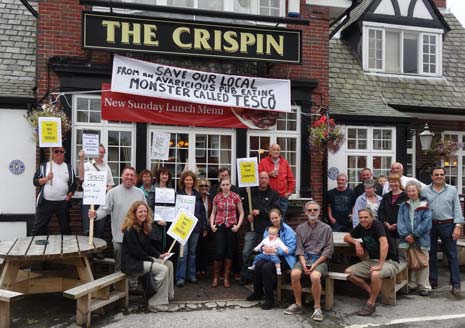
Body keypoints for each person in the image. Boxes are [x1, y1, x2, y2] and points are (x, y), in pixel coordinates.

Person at [88, 167, 146, 272]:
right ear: (122, 176)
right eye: (127, 174)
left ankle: (132, 286)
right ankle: (118, 287)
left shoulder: (140, 193)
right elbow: (104, 210)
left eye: (132, 175)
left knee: (136, 263)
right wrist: (95, 214)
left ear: (135, 178)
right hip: (119, 237)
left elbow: (146, 212)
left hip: (136, 236)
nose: (129, 177)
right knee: (119, 264)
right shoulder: (112, 193)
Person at [283, 201, 333, 322]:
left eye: (315, 210)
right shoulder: (300, 228)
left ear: (319, 212)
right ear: (305, 212)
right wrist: (304, 263)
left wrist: (314, 264)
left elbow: (328, 250)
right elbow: (299, 248)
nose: (312, 212)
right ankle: (298, 304)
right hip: (304, 258)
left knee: (315, 276)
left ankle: (317, 307)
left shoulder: (326, 228)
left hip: (320, 259)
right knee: (294, 273)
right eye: (310, 210)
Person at [344, 208, 400, 316]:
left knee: (375, 274)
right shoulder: (361, 226)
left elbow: (384, 244)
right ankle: (372, 292)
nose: (363, 220)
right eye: (360, 217)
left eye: (366, 217)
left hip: (390, 261)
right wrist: (356, 243)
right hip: (371, 260)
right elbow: (347, 237)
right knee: (348, 272)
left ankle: (371, 303)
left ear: (372, 217)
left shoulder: (377, 225)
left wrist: (380, 265)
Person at [121, 201, 174, 311]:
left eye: (145, 211)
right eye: (140, 211)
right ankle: (154, 302)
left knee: (168, 263)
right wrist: (151, 260)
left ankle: (168, 295)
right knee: (162, 269)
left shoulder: (144, 227)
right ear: (134, 213)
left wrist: (159, 255)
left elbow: (148, 247)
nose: (143, 214)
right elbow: (136, 252)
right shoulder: (130, 229)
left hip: (142, 259)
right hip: (133, 263)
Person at [421, 167, 464, 294]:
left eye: (441, 174)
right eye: (436, 174)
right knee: (431, 255)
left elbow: (457, 208)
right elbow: (421, 209)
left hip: (448, 225)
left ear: (444, 176)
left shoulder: (452, 190)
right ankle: (433, 281)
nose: (439, 176)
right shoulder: (424, 191)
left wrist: (458, 226)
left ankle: (456, 283)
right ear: (432, 177)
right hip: (431, 226)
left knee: (452, 255)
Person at [246, 207, 296, 310]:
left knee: (267, 267)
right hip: (269, 255)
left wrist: (276, 251)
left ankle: (270, 299)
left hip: (285, 258)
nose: (274, 220)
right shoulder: (268, 230)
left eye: (276, 218)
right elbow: (264, 243)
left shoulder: (288, 230)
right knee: (258, 264)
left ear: (281, 217)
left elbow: (291, 249)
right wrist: (264, 248)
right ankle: (258, 292)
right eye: (272, 218)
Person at [240, 171, 280, 285]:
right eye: (261, 178)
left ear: (268, 180)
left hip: (267, 230)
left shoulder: (274, 194)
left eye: (265, 178)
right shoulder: (250, 193)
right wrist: (248, 214)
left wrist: (261, 212)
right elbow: (244, 207)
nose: (263, 180)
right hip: (252, 228)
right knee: (246, 252)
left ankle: (263, 278)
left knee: (265, 254)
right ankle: (246, 276)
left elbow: (275, 211)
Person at [397, 181, 432, 296]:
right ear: (406, 192)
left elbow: (426, 222)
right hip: (405, 239)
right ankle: (411, 284)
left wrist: (414, 235)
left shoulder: (425, 205)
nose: (411, 193)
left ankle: (424, 286)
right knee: (408, 261)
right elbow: (400, 222)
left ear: (418, 191)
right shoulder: (403, 205)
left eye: (413, 190)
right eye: (409, 191)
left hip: (421, 238)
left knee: (423, 262)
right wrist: (406, 235)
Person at [32, 146, 77, 235]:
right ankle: (35, 246)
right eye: (56, 151)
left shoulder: (68, 167)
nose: (59, 153)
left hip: (62, 202)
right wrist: (46, 178)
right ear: (52, 154)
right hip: (46, 202)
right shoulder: (44, 166)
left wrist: (70, 194)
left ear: (64, 153)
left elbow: (73, 184)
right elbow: (35, 181)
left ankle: (67, 247)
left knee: (65, 228)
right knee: (39, 228)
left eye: (61, 151)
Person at [210, 176, 244, 288]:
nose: (225, 187)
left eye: (227, 184)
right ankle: (216, 277)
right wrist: (212, 224)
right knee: (219, 251)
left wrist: (238, 226)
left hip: (231, 226)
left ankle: (226, 277)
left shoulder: (235, 197)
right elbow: (213, 212)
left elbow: (241, 213)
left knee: (229, 252)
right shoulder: (217, 197)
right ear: (220, 186)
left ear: (230, 185)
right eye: (223, 185)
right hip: (220, 226)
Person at [175, 171, 207, 287]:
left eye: (191, 180)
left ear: (194, 182)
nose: (189, 181)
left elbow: (202, 212)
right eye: (187, 179)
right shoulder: (179, 195)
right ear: (183, 181)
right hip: (182, 227)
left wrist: (204, 227)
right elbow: (175, 211)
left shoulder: (197, 195)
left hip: (195, 228)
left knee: (193, 253)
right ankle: (180, 277)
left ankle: (191, 275)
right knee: (183, 252)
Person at [78, 146, 114, 238]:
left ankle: (98, 252)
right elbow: (81, 177)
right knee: (87, 229)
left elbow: (110, 184)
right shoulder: (87, 165)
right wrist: (81, 160)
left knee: (100, 229)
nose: (101, 154)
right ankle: (89, 251)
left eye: (103, 152)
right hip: (89, 200)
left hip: (102, 200)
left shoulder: (107, 167)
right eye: (99, 152)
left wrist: (108, 197)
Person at [258, 143, 295, 216]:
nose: (276, 151)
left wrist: (289, 192)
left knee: (280, 219)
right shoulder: (263, 162)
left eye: (278, 150)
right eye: (274, 149)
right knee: (267, 217)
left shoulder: (285, 162)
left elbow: (291, 179)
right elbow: (257, 176)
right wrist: (268, 174)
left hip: (282, 196)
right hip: (267, 195)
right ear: (270, 151)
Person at [378, 174, 408, 243]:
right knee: (390, 252)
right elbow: (381, 212)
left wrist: (397, 224)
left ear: (399, 183)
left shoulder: (406, 196)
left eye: (395, 182)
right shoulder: (386, 196)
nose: (393, 184)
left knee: (401, 252)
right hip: (387, 230)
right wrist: (386, 223)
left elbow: (408, 213)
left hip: (401, 231)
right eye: (391, 182)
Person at [151, 167, 174, 252]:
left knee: (167, 249)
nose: (165, 176)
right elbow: (149, 207)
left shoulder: (171, 190)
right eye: (162, 174)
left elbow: (173, 206)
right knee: (157, 248)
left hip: (168, 224)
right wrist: (157, 219)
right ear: (159, 176)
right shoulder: (153, 189)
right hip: (156, 225)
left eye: (166, 174)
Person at [196, 178, 211, 279]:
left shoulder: (210, 199)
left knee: (206, 248)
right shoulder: (196, 198)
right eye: (201, 186)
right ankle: (197, 269)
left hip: (208, 226)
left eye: (205, 186)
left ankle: (204, 269)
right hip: (198, 226)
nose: (204, 188)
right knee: (197, 248)